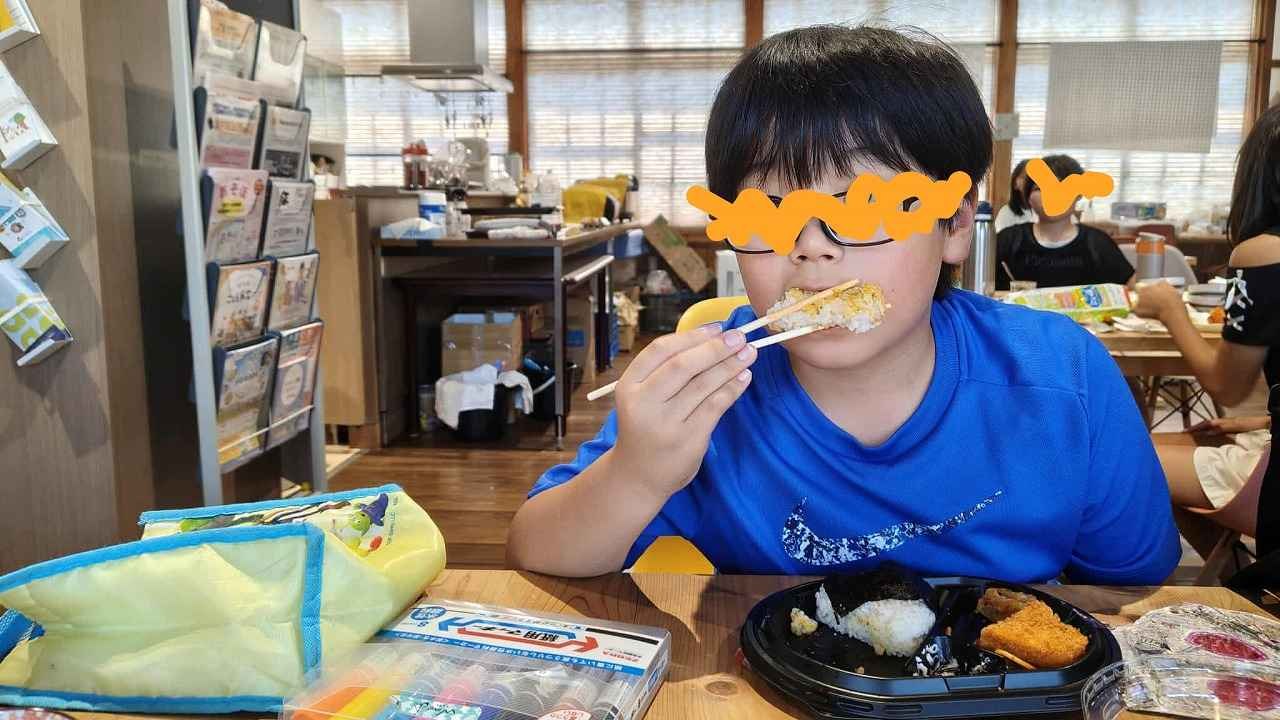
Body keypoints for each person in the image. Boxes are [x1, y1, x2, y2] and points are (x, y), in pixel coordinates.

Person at [507, 25, 1179, 584]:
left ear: (953, 223)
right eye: (767, 214)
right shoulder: (714, 395)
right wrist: (637, 473)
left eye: (864, 207)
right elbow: (536, 548)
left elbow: (1130, 589)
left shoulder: (1063, 377)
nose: (811, 247)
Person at [1134, 102, 1280, 559]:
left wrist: (1170, 309)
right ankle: (1236, 578)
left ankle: (1234, 581)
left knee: (1122, 460)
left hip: (1271, 481)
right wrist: (1260, 421)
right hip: (1265, 437)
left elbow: (1227, 386)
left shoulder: (1262, 252)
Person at [995, 154, 1134, 291]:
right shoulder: (1008, 240)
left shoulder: (1099, 243)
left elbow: (1131, 286)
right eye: (1040, 188)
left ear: (1079, 194)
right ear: (1028, 197)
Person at [994, 158, 1035, 233]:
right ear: (1015, 184)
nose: (1031, 182)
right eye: (1026, 177)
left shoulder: (1043, 213)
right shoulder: (1006, 213)